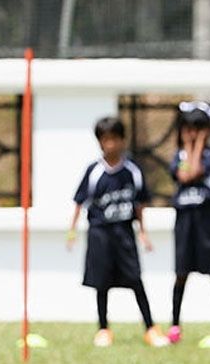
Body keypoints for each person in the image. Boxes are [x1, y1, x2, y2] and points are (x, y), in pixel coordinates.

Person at [66, 116, 169, 348]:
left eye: (114, 139)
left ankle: (150, 328)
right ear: (100, 142)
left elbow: (140, 204)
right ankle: (103, 329)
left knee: (135, 280)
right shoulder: (94, 172)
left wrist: (143, 232)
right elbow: (79, 202)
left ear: (122, 140)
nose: (110, 144)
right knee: (101, 282)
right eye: (105, 139)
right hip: (100, 234)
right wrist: (71, 231)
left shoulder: (132, 171)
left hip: (124, 233)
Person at [167, 101, 210, 347]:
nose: (193, 133)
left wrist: (199, 145)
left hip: (207, 222)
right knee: (181, 274)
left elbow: (195, 171)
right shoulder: (179, 156)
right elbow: (184, 175)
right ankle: (175, 325)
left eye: (199, 128)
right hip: (185, 223)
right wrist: (188, 147)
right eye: (189, 128)